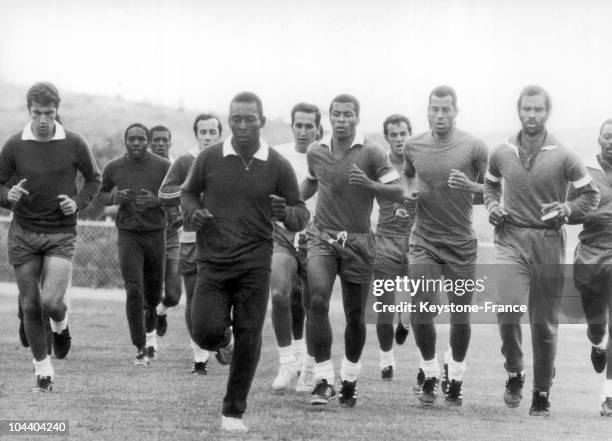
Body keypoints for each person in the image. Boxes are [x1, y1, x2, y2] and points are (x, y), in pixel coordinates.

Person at [181, 92, 308, 432]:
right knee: (205, 332)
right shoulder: (210, 157)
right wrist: (194, 212)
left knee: (250, 335)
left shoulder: (277, 164)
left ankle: (232, 412)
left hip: (254, 262)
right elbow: (187, 193)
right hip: (213, 261)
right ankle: (223, 341)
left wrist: (287, 213)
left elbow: (300, 214)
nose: (241, 125)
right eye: (235, 118)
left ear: (261, 121)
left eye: (248, 118)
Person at [485, 85, 599, 416]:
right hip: (510, 238)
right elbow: (491, 185)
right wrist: (493, 205)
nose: (532, 115)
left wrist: (567, 209)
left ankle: (541, 392)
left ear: (547, 113)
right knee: (507, 309)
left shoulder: (565, 154)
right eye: (527, 109)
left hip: (548, 242)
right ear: (518, 111)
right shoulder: (501, 151)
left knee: (544, 323)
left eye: (538, 110)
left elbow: (589, 196)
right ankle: (516, 370)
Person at [301, 94, 404, 407]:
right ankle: (323, 379)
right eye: (336, 114)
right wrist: (287, 200)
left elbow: (398, 190)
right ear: (329, 117)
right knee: (317, 299)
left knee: (355, 315)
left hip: (358, 241)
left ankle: (349, 378)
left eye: (348, 114)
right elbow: (309, 185)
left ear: (357, 118)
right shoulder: (316, 151)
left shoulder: (371, 151)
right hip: (322, 236)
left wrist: (371, 185)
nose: (341, 119)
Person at [0, 82, 101, 391]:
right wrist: (9, 195)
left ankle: (61, 323)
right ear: (29, 111)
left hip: (60, 233)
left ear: (58, 110)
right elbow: (0, 185)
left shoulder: (74, 142)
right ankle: (43, 370)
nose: (43, 120)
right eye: (37, 113)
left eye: (49, 112)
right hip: (23, 234)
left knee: (51, 301)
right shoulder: (14, 144)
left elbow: (94, 179)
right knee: (30, 305)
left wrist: (78, 203)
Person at [403, 85, 488, 407]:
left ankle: (457, 377)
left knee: (460, 316)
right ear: (427, 110)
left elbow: (495, 190)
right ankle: (430, 373)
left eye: (446, 110)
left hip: (461, 242)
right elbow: (408, 176)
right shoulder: (413, 145)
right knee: (421, 309)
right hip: (424, 238)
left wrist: (470, 186)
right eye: (434, 109)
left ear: (456, 111)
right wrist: (410, 191)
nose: (440, 115)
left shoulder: (475, 146)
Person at [98, 123, 170, 365]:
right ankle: (140, 345)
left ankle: (149, 336)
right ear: (125, 142)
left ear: (148, 141)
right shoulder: (114, 167)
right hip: (128, 234)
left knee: (152, 295)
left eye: (141, 138)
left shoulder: (163, 167)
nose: (137, 142)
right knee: (133, 289)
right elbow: (99, 194)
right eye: (132, 139)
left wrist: (158, 201)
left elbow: (179, 194)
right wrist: (112, 198)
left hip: (155, 234)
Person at [158, 114, 223, 374]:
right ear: (196, 134)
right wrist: (191, 191)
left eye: (212, 132)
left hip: (226, 240)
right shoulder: (186, 161)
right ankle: (199, 358)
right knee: (195, 299)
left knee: (224, 296)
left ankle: (222, 338)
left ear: (220, 134)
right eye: (203, 132)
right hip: (192, 239)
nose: (207, 136)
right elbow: (164, 193)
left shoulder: (230, 159)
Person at [270, 102, 321, 392]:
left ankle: (310, 368)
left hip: (317, 238)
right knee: (279, 293)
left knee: (314, 304)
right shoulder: (278, 156)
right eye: (298, 125)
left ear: (317, 128)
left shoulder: (326, 156)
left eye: (309, 126)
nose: (303, 131)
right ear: (292, 126)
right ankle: (287, 362)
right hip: (284, 234)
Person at [570, 119, 612, 416]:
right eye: (608, 136)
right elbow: (569, 210)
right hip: (590, 255)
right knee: (596, 325)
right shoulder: (585, 172)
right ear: (599, 139)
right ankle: (598, 343)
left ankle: (608, 395)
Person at [374, 114, 415, 381]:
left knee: (417, 305)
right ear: (387, 137)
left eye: (403, 133)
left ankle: (405, 322)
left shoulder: (421, 165)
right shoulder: (379, 166)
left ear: (410, 134)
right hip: (386, 239)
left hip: (417, 240)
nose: (399, 139)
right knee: (384, 305)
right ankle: (386, 360)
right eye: (394, 135)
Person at [149, 125, 182, 339]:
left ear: (170, 142)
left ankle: (161, 312)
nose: (161, 144)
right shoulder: (143, 167)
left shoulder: (177, 166)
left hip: (170, 237)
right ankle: (148, 343)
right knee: (148, 292)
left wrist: (179, 215)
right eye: (156, 140)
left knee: (173, 295)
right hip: (147, 236)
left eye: (165, 140)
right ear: (150, 142)